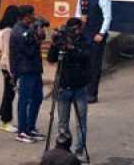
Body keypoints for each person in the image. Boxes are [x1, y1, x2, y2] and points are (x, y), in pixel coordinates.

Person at [47, 18, 93, 159]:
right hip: (63, 87)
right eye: (73, 29)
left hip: (79, 87)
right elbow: (51, 59)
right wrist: (55, 45)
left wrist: (72, 48)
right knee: (62, 122)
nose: (76, 32)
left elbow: (85, 56)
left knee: (81, 121)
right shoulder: (62, 40)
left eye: (77, 29)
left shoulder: (84, 41)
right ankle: (64, 150)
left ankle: (80, 150)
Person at [10, 5, 45, 143]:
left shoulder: (27, 29)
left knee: (37, 98)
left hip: (34, 69)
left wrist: (38, 33)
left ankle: (30, 127)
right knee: (24, 101)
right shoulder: (18, 31)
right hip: (24, 70)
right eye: (32, 15)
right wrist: (36, 39)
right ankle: (22, 131)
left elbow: (37, 40)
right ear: (26, 16)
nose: (34, 17)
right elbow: (29, 51)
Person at [78, 0, 112, 103]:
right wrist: (80, 20)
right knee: (84, 65)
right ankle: (83, 91)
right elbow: (77, 13)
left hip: (96, 37)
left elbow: (107, 17)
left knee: (94, 65)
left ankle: (92, 94)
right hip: (84, 36)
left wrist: (101, 34)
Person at [0, 5, 21, 133]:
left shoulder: (4, 30)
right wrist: (12, 73)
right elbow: (7, 52)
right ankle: (6, 121)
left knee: (9, 93)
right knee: (9, 94)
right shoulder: (8, 32)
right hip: (8, 66)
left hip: (6, 65)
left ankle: (4, 116)